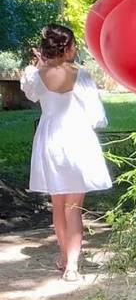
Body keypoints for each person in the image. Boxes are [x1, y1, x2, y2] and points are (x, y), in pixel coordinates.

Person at [20, 24, 112, 281]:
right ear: (68, 47)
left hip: (50, 140)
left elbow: (31, 92)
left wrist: (40, 67)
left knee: (58, 204)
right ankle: (72, 265)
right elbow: (96, 118)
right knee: (74, 207)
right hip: (77, 139)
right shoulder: (81, 76)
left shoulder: (37, 76)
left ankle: (64, 257)